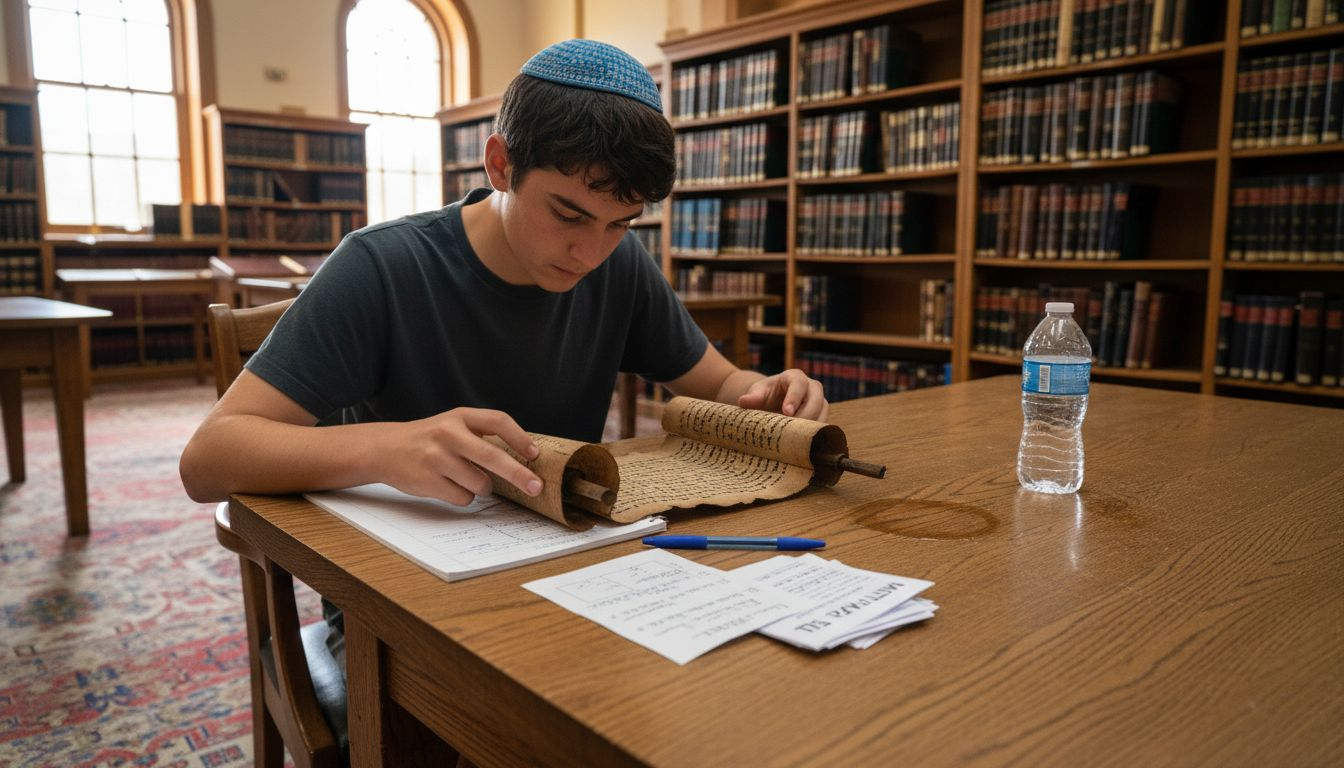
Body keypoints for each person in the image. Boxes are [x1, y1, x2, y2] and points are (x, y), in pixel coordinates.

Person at [180, 37, 827, 508]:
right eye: (568, 214)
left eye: (620, 223)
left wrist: (771, 393)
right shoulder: (379, 267)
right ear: (499, 165)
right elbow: (207, 461)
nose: (590, 255)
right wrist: (384, 449)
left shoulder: (619, 264)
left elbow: (721, 384)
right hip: (400, 598)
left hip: (566, 561)